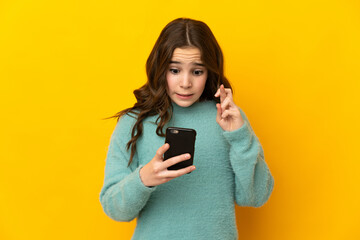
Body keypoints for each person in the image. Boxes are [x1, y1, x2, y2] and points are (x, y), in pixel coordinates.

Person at [100, 18, 274, 240]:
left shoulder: (228, 118)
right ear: (160, 68)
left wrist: (239, 136)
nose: (185, 82)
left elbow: (255, 197)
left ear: (210, 72)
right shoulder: (134, 122)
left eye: (197, 72)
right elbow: (114, 209)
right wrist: (144, 178)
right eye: (174, 70)